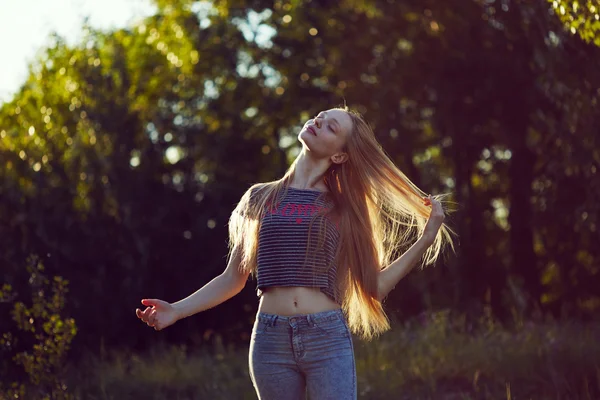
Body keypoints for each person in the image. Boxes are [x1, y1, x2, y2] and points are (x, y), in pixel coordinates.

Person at [136, 106, 457, 399]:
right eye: (320, 116)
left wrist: (426, 238)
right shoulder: (259, 197)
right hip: (270, 340)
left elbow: (373, 287)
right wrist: (176, 310)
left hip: (326, 337)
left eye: (331, 127)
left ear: (340, 157)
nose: (318, 122)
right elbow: (233, 278)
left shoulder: (346, 209)